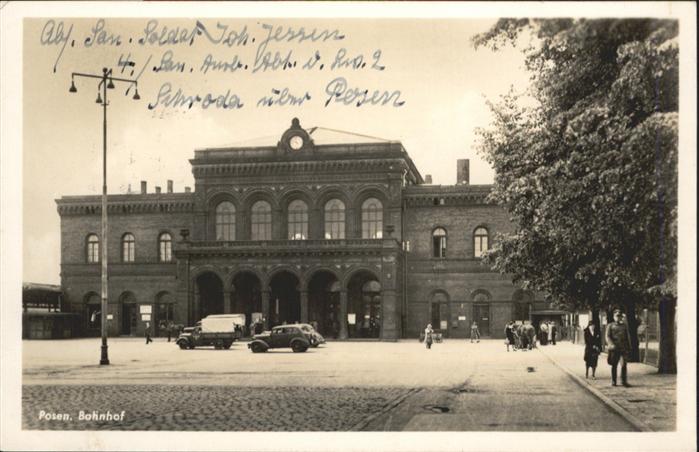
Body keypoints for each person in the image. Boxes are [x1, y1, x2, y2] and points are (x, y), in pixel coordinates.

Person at [606, 308, 631, 387]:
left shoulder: (624, 326)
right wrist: (611, 344)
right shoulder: (610, 326)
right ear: (614, 317)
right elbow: (607, 336)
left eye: (619, 316)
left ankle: (624, 381)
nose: (618, 317)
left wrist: (629, 347)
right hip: (614, 348)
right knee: (614, 365)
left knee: (624, 365)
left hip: (623, 348)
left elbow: (628, 337)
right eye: (617, 316)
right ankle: (614, 381)